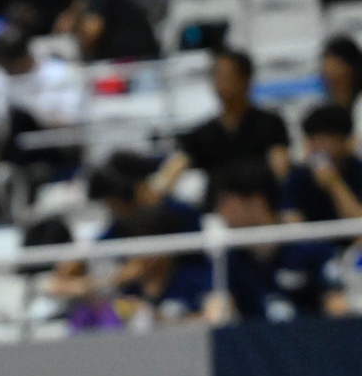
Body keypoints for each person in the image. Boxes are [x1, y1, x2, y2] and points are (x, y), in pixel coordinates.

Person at [207, 160, 347, 322]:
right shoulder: (230, 261)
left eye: (225, 202)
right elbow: (216, 309)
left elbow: (338, 308)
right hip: (258, 338)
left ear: (256, 202)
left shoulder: (312, 250)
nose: (220, 213)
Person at [148, 49, 289, 209]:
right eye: (216, 76)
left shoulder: (271, 124)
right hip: (218, 210)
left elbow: (280, 170)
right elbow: (175, 166)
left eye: (227, 76)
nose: (221, 83)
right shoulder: (202, 134)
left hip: (260, 206)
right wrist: (154, 191)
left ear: (246, 79)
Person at [282, 104, 362, 223]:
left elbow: (358, 220)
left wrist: (334, 185)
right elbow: (289, 215)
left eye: (323, 141)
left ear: (343, 140)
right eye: (312, 140)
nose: (316, 147)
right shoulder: (300, 174)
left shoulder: (358, 170)